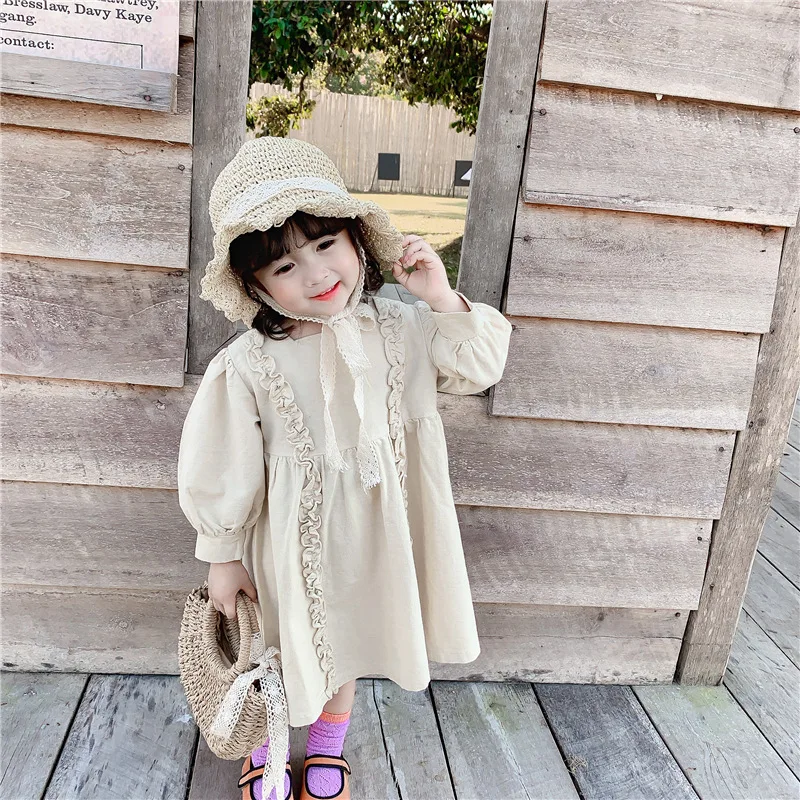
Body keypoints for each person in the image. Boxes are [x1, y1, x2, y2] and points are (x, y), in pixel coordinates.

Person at [177, 136, 513, 800]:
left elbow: (479, 367)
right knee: (276, 647)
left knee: (349, 640)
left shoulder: (406, 328)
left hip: (378, 536)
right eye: (284, 265)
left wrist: (440, 297)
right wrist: (221, 555)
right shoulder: (249, 364)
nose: (314, 273)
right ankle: (267, 747)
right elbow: (221, 461)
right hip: (288, 544)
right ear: (255, 285)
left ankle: (327, 747)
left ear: (358, 239)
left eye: (326, 243)